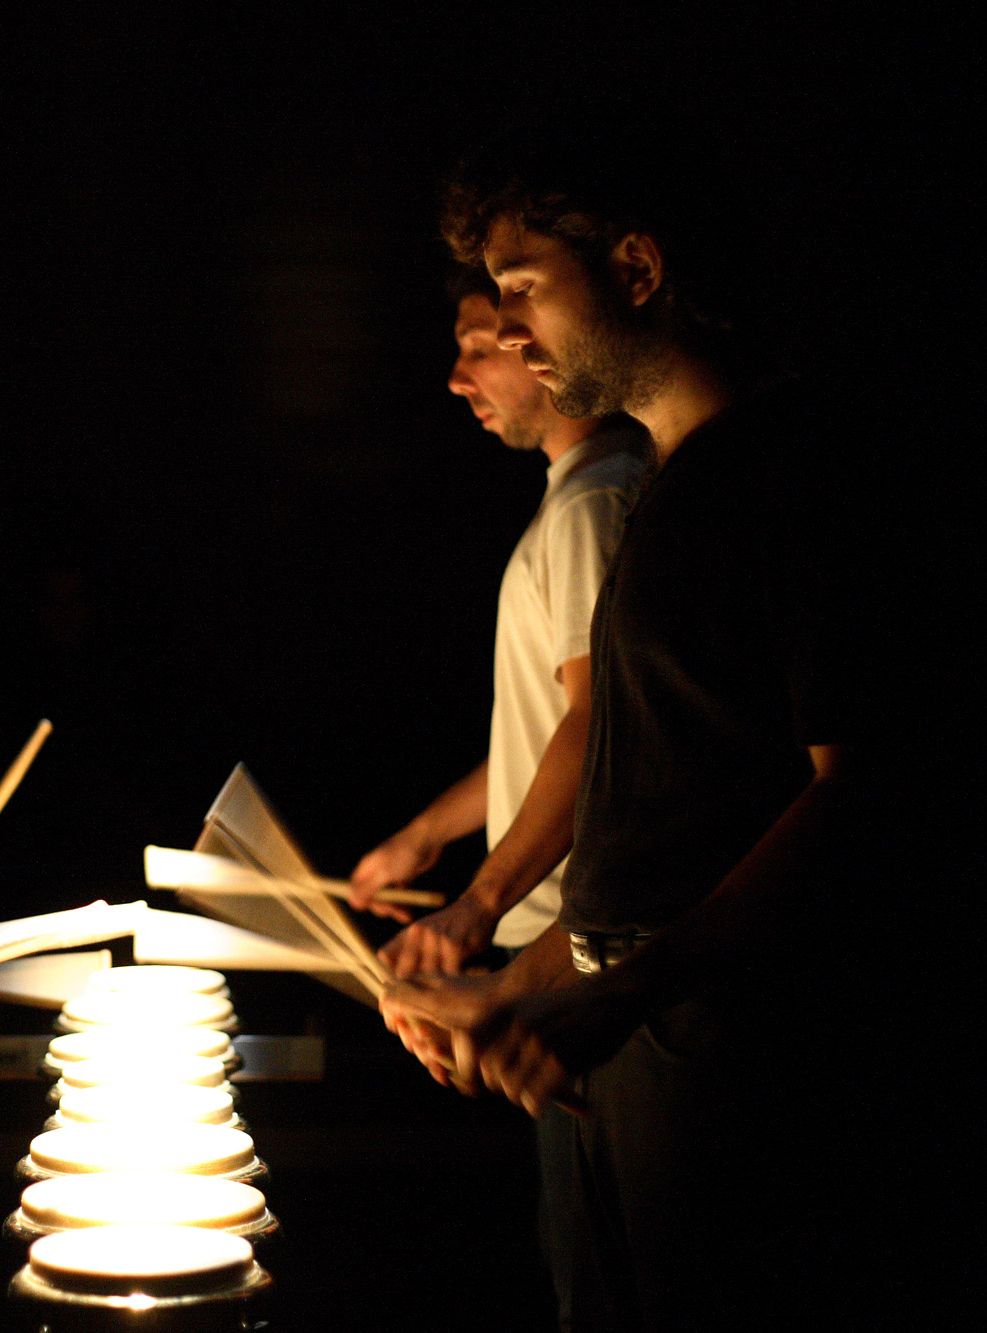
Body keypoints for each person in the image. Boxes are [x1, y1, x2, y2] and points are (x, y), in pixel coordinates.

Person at [378, 141, 881, 1328]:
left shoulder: (787, 473)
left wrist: (617, 984)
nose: (502, 328)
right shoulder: (667, 488)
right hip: (646, 1054)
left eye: (520, 286)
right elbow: (660, 822)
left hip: (731, 1085)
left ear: (638, 267)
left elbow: (860, 793)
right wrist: (526, 983)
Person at [348, 267, 645, 978]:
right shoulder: (584, 494)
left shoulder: (592, 507)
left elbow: (595, 726)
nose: (457, 378)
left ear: (536, 340)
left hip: (574, 941)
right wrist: (423, 835)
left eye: (479, 348)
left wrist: (480, 903)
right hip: (556, 928)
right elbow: (547, 732)